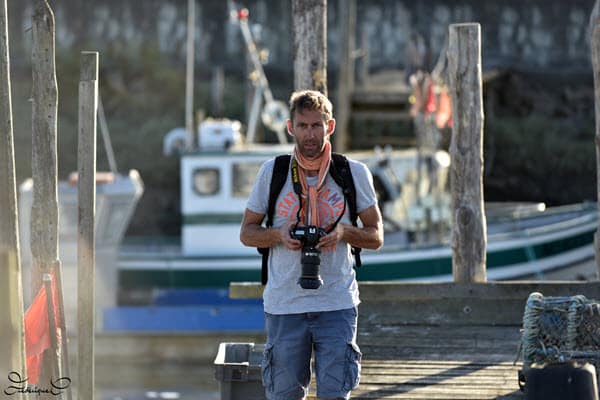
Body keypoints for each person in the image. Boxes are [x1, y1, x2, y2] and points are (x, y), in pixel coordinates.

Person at [240, 89, 384, 400]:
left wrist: (345, 232)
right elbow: (247, 233)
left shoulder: (352, 172)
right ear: (290, 127)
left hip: (336, 303)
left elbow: (376, 236)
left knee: (335, 394)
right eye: (303, 126)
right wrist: (279, 235)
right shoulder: (273, 172)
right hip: (285, 304)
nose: (310, 134)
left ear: (329, 126)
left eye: (317, 125)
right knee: (284, 395)